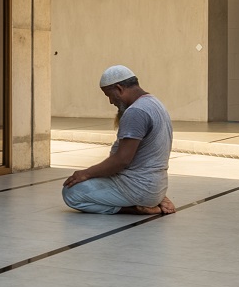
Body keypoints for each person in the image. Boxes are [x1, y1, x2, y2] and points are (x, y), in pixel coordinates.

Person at [61, 65, 174, 215]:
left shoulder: (136, 112)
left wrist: (86, 173)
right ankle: (152, 200)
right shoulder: (155, 103)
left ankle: (136, 209)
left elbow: (122, 160)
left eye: (109, 95)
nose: (110, 102)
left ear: (119, 89)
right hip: (155, 186)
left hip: (137, 188)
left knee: (71, 193)